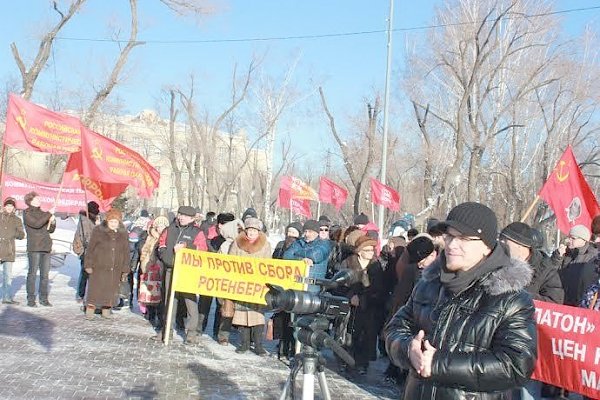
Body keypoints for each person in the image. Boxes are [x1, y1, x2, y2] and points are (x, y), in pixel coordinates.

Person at [385, 202, 537, 400]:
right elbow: (394, 328)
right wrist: (407, 349)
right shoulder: (429, 284)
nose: (451, 245)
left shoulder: (511, 299)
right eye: (449, 236)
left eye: (463, 238)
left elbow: (517, 365)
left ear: (486, 246)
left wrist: (439, 364)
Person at [499, 222, 565, 400]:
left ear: (521, 247)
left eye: (506, 242)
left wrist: (522, 296)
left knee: (526, 393)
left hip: (529, 344)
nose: (501, 245)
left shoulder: (545, 269)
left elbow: (555, 301)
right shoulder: (498, 263)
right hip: (499, 341)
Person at [385, 234, 437, 385]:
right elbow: (401, 296)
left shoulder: (442, 275)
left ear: (433, 255)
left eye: (422, 261)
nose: (420, 265)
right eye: (417, 262)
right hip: (411, 318)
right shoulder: (411, 270)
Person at [157, 205, 208, 344]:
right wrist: (165, 256)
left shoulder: (197, 233)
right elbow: (161, 245)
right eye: (180, 214)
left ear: (192, 218)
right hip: (171, 269)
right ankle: (167, 330)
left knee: (190, 302)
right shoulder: (169, 229)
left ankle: (191, 333)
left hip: (188, 272)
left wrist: (186, 247)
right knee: (170, 301)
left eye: (185, 216)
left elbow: (202, 250)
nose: (181, 217)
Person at [337, 235, 387, 375]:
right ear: (359, 251)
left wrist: (365, 298)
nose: (371, 252)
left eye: (372, 249)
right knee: (347, 335)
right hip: (349, 307)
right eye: (368, 249)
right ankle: (345, 360)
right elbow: (339, 284)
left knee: (366, 336)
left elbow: (379, 288)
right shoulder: (348, 263)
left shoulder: (376, 266)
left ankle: (362, 363)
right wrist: (350, 296)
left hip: (368, 307)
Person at [229, 217, 271, 355]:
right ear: (246, 230)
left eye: (255, 230)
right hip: (241, 283)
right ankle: (244, 343)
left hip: (256, 284)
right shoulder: (237, 242)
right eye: (249, 230)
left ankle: (258, 345)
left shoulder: (265, 245)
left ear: (258, 231)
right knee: (242, 315)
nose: (252, 233)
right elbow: (230, 260)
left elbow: (268, 263)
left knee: (257, 315)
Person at [84, 209, 130, 320]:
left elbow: (126, 251)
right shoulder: (98, 231)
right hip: (99, 266)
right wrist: (88, 264)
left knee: (111, 289)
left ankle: (106, 309)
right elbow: (90, 249)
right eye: (111, 221)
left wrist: (125, 267)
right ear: (107, 221)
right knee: (95, 289)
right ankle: (90, 308)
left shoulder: (123, 234)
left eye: (116, 222)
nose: (114, 224)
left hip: (115, 267)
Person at [271, 221, 303, 359]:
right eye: (289, 232)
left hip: (295, 288)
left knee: (292, 320)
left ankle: (292, 348)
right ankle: (282, 347)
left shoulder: (301, 248)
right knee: (281, 319)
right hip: (281, 287)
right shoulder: (279, 246)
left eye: (294, 233)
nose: (291, 235)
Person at [214, 218, 245, 345]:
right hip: (226, 280)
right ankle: (223, 335)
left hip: (241, 280)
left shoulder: (244, 243)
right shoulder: (225, 245)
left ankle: (244, 338)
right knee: (226, 308)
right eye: (237, 230)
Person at [23, 191, 56, 307]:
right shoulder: (27, 213)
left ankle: (44, 298)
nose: (39, 201)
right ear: (30, 201)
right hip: (34, 247)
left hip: (46, 247)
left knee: (45, 275)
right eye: (36, 199)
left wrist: (52, 222)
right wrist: (48, 214)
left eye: (39, 199)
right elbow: (36, 224)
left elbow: (50, 230)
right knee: (32, 274)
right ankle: (31, 299)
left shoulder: (43, 213)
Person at [555, 225, 599, 307]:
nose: (569, 240)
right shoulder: (566, 253)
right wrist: (558, 257)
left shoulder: (592, 257)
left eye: (573, 238)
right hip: (562, 301)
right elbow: (552, 274)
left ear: (583, 240)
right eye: (569, 237)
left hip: (581, 304)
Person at [138, 216, 170, 327]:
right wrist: (144, 265)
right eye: (159, 226)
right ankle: (150, 314)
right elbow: (145, 251)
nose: (161, 228)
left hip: (161, 268)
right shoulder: (150, 237)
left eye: (163, 226)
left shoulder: (168, 237)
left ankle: (160, 317)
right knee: (150, 293)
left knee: (160, 294)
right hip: (149, 268)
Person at [72, 201, 100, 302]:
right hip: (86, 250)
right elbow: (87, 236)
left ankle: (86, 294)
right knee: (85, 272)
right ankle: (81, 294)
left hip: (91, 249)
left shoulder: (90, 219)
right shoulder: (85, 220)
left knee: (87, 272)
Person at [0, 197, 25, 304]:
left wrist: (15, 234)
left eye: (11, 206)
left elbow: (21, 234)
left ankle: (6, 298)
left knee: (7, 276)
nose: (9, 208)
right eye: (8, 205)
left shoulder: (17, 220)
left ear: (14, 208)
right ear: (4, 206)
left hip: (9, 250)